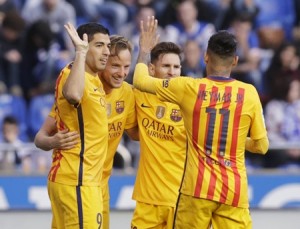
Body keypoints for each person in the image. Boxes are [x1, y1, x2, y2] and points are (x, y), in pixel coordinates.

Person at [133, 16, 269, 228]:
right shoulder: (249, 93)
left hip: (196, 188)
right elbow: (261, 146)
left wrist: (144, 49)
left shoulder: (189, 87)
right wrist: (234, 139)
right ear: (235, 61)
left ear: (206, 57)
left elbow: (140, 81)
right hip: (233, 190)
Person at [34, 34, 138, 229]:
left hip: (100, 185)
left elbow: (137, 134)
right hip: (77, 180)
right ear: (102, 62)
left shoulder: (126, 93)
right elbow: (40, 138)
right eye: (115, 66)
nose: (122, 73)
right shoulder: (81, 89)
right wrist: (53, 142)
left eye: (126, 67)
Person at [46, 22, 111, 228]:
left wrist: (48, 140)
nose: (106, 52)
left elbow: (45, 130)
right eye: (99, 45)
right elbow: (73, 94)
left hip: (77, 179)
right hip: (78, 180)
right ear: (84, 45)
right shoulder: (73, 72)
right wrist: (80, 53)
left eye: (108, 46)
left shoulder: (94, 79)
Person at [131, 41, 186, 228]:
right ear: (152, 70)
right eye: (166, 66)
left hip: (182, 199)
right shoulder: (140, 95)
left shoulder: (189, 102)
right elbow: (133, 132)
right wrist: (143, 50)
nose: (172, 72)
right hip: (148, 200)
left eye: (176, 67)